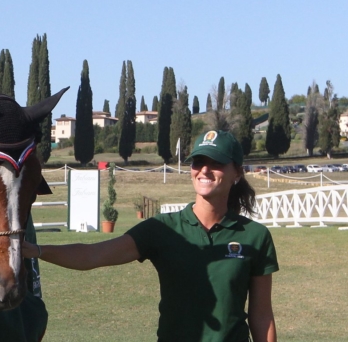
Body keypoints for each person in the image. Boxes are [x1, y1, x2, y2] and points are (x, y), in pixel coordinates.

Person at [23, 130, 279, 342]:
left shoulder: (255, 236)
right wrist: (38, 250)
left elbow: (262, 316)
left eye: (216, 163)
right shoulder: (163, 229)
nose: (204, 170)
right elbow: (94, 255)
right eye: (198, 162)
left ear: (237, 172)